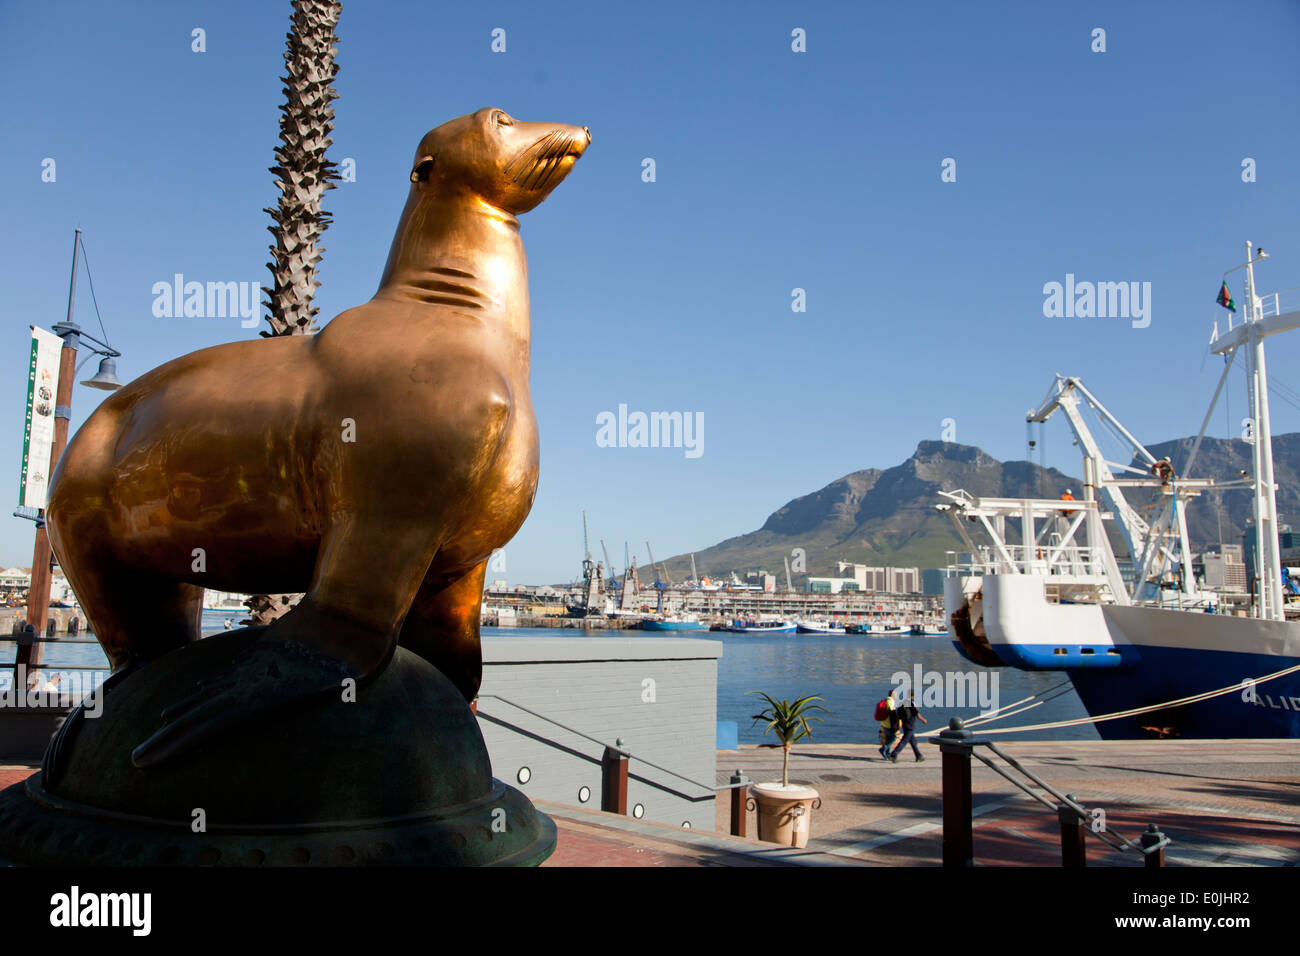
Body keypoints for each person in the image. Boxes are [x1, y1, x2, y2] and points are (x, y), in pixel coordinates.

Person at [889, 695, 928, 762]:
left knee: (913, 741)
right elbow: (918, 715)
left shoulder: (902, 705)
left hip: (905, 725)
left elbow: (899, 716)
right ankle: (894, 754)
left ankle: (919, 756)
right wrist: (923, 720)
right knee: (904, 741)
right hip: (910, 726)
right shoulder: (912, 705)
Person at [877, 688, 901, 759]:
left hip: (884, 723)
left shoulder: (885, 700)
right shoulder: (890, 701)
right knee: (894, 738)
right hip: (889, 724)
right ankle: (883, 749)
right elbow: (891, 713)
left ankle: (887, 754)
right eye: (896, 694)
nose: (897, 696)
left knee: (888, 738)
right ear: (893, 695)